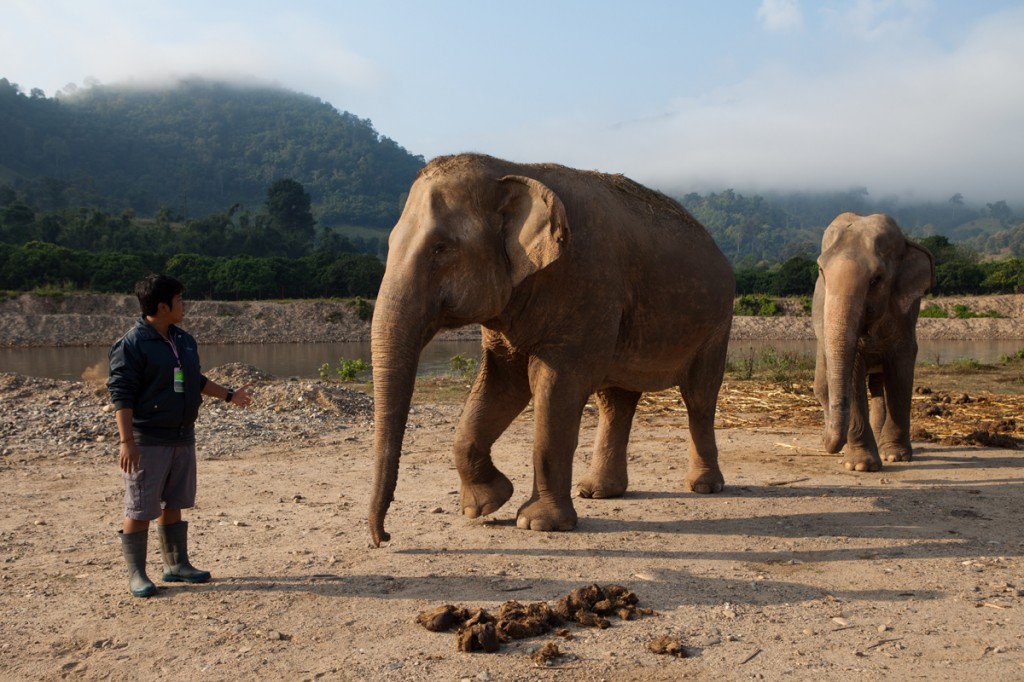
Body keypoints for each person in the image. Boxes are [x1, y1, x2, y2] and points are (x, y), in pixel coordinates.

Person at [108, 273, 252, 597]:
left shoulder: (183, 340)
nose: (184, 305)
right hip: (148, 439)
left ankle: (176, 565)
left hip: (182, 435)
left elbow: (195, 379)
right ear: (162, 306)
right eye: (180, 300)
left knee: (174, 501)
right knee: (141, 507)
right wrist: (126, 442)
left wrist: (230, 395)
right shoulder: (131, 344)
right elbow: (122, 395)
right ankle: (137, 575)